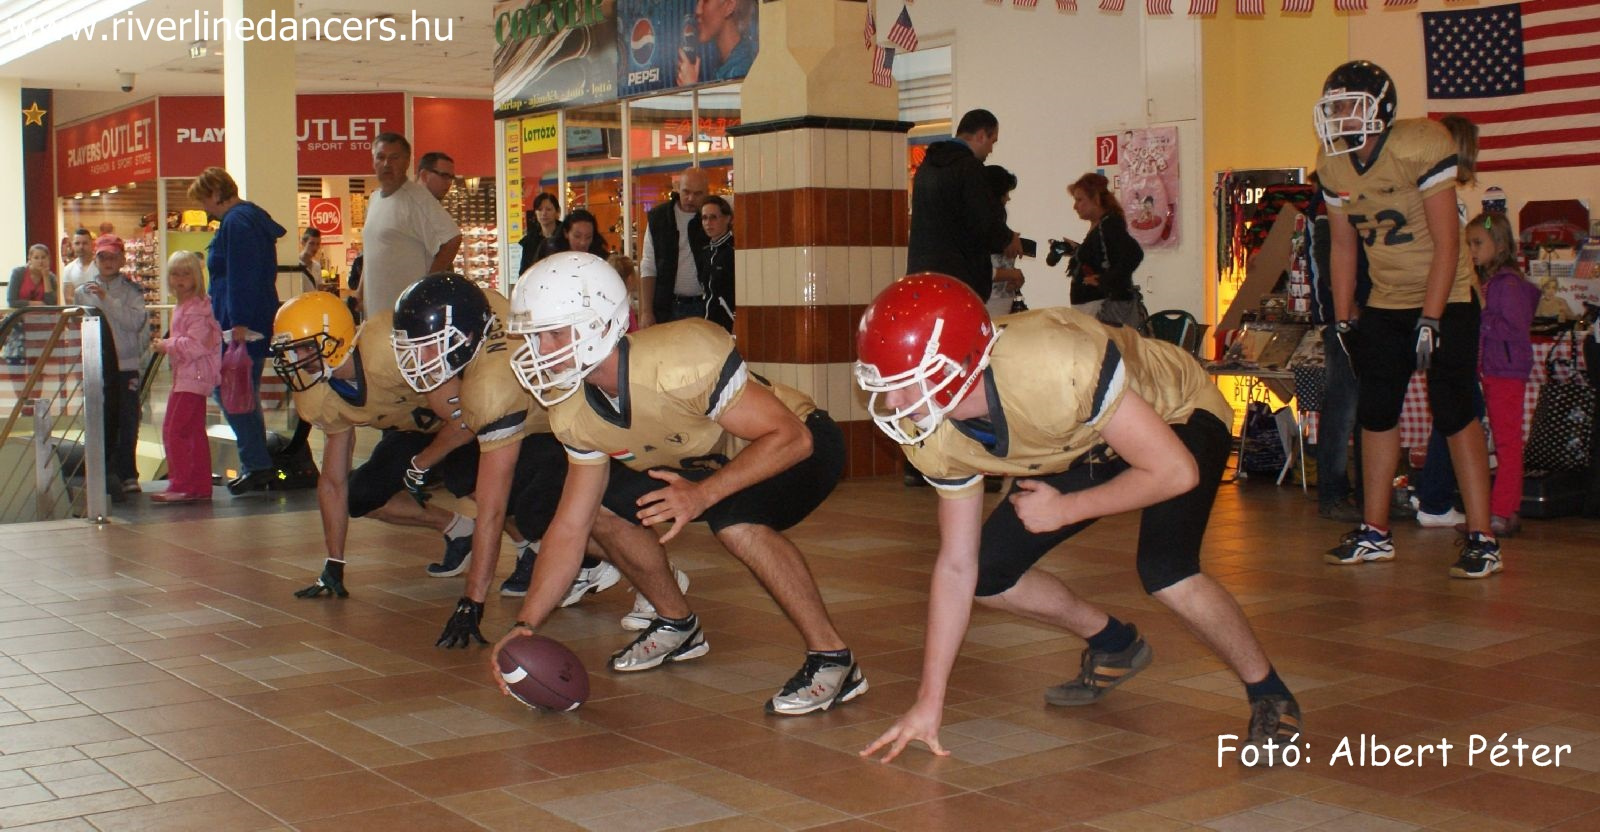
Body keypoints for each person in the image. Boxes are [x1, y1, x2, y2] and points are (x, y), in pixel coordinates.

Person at [853, 274, 1300, 764]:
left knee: (1167, 570)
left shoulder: (1053, 364)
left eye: (903, 384)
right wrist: (928, 702)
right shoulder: (933, 433)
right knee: (988, 572)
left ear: (957, 365)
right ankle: (1113, 643)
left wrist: (1066, 508)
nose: (894, 405)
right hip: (1083, 436)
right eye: (886, 385)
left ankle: (1270, 693)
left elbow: (1175, 472)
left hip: (1174, 410)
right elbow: (956, 567)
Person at [494, 253, 866, 716]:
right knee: (599, 513)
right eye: (534, 336)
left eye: (552, 333)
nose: (540, 350)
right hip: (699, 467)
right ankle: (676, 622)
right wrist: (526, 622)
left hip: (794, 444)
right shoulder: (573, 412)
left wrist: (703, 494)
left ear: (600, 323)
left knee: (736, 521)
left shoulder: (679, 359)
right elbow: (570, 528)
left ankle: (833, 659)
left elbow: (792, 437)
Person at [1313, 60, 1500, 579]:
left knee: (1455, 408)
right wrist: (1344, 318)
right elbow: (1343, 249)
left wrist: (1432, 318)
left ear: (1381, 108)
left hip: (1450, 294)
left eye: (1352, 104)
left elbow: (1447, 244)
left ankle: (1482, 536)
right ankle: (1375, 532)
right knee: (1376, 412)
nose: (1342, 116)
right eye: (1336, 107)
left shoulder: (1419, 144)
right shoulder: (1335, 166)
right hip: (1389, 299)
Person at [391, 274, 619, 647]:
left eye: (430, 346)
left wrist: (473, 600)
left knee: (538, 515)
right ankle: (580, 560)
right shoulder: (482, 304)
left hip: (578, 426)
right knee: (463, 469)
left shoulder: (491, 387)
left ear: (463, 337)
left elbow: (492, 510)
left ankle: (631, 567)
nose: (421, 359)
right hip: (544, 419)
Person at [271, 291, 523, 598]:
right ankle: (459, 531)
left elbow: (463, 419)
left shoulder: (387, 347)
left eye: (303, 348)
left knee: (466, 477)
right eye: (290, 352)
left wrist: (422, 463)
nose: (296, 361)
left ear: (335, 336)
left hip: (466, 417)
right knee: (360, 495)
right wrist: (334, 562)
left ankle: (528, 547)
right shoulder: (319, 394)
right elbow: (334, 482)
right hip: (413, 432)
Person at [189, 166, 287, 495]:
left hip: (240, 326)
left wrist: (237, 322)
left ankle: (257, 463)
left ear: (216, 194)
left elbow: (239, 275)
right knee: (243, 391)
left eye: (205, 200)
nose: (205, 209)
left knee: (231, 391)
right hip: (254, 319)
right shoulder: (251, 220)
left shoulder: (235, 223)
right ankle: (255, 462)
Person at [1304, 174, 1371, 524]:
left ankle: (1366, 491)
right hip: (1343, 317)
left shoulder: (1337, 206)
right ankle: (1333, 492)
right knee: (1343, 409)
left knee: (1360, 409)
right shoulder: (1324, 209)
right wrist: (1348, 311)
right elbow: (1332, 260)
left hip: (1353, 312)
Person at [1469, 213, 1538, 538]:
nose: (1472, 250)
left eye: (1477, 243)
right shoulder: (1497, 281)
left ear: (1498, 245)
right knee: (1503, 442)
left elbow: (1513, 328)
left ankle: (1502, 511)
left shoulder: (1507, 284)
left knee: (1508, 444)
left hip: (1506, 371)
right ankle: (1501, 509)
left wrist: (1480, 317)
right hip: (1497, 369)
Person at [907, 109, 1020, 301]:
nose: (991, 150)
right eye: (992, 142)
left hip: (922, 274)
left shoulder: (927, 167)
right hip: (958, 277)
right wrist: (1008, 239)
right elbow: (982, 219)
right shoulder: (969, 168)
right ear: (981, 136)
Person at [74, 235, 148, 493]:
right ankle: (101, 471)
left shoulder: (132, 291)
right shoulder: (82, 293)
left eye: (113, 256)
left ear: (122, 259)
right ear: (95, 259)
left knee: (128, 420)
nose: (108, 262)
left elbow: (134, 322)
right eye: (102, 257)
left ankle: (128, 473)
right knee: (100, 418)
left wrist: (107, 299)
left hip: (126, 364)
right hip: (97, 366)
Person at [360, 134, 462, 318]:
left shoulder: (417, 198)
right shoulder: (374, 198)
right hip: (376, 316)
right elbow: (370, 252)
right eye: (380, 157)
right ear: (373, 161)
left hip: (408, 316)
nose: (386, 164)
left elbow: (452, 239)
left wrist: (424, 288)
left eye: (394, 158)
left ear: (406, 162)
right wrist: (359, 294)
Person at [149, 252, 220, 503]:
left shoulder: (196, 309)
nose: (180, 279)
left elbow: (195, 345)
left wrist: (166, 345)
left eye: (185, 273)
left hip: (192, 376)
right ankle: (199, 485)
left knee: (174, 429)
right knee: (192, 430)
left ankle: (182, 484)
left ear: (196, 276)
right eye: (175, 273)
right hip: (192, 376)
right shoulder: (191, 306)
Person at [1065, 172, 1145, 327]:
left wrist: (1105, 280)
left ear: (1095, 199)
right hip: (1095, 307)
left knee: (1108, 350)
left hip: (1105, 308)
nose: (1075, 206)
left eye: (1079, 200)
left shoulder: (1109, 224)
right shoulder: (1102, 226)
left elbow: (1134, 253)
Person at [640, 168, 710, 327]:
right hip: (668, 306)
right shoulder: (659, 218)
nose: (690, 198)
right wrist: (646, 311)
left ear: (707, 192)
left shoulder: (712, 217)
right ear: (678, 188)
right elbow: (648, 266)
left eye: (698, 193)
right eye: (686, 192)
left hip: (704, 305)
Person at [678, 0, 757, 85]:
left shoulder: (740, 70)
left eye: (706, 1)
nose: (698, 10)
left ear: (729, 6)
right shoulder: (727, 65)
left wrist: (690, 89)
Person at [982, 165, 1026, 319]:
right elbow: (978, 270)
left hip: (999, 301)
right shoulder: (982, 227)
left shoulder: (998, 228)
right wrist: (1012, 274)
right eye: (1006, 192)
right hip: (987, 301)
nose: (1008, 198)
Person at [6, 244, 59, 364]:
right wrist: (35, 303)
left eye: (43, 257)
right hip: (19, 324)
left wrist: (45, 277)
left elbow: (51, 304)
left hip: (40, 324)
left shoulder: (51, 277)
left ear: (48, 259)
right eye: (36, 257)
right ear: (29, 259)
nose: (40, 261)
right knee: (15, 361)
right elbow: (12, 300)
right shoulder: (18, 273)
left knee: (36, 363)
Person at [697, 196, 735, 331]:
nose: (708, 223)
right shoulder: (706, 252)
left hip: (729, 326)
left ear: (727, 218)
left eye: (713, 217)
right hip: (709, 326)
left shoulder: (735, 252)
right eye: (704, 218)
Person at [534, 209, 610, 263]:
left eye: (588, 237)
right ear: (566, 233)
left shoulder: (600, 259)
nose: (583, 242)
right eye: (577, 236)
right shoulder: (549, 252)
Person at [520, 193, 562, 272]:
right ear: (535, 213)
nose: (544, 213)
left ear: (557, 211)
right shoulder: (530, 240)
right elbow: (524, 270)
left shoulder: (566, 234)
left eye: (548, 209)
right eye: (539, 209)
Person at [60, 229, 96, 294]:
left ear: (92, 244)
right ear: (73, 245)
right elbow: (69, 299)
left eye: (85, 243)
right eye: (77, 243)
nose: (81, 247)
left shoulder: (102, 267)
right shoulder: (68, 270)